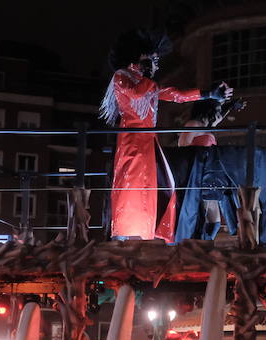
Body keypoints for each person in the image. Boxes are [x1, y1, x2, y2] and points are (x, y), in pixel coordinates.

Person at [99, 29, 232, 241]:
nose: (156, 64)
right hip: (132, 143)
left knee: (158, 187)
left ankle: (146, 233)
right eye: (152, 58)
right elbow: (137, 93)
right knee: (134, 187)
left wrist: (207, 93)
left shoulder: (144, 81)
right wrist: (147, 76)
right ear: (138, 56)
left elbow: (174, 95)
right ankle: (130, 235)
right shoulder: (122, 76)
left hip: (148, 143)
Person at [178, 95, 248, 239]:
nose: (218, 113)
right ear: (208, 110)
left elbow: (218, 118)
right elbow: (182, 148)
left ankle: (205, 247)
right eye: (216, 109)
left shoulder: (205, 126)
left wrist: (229, 107)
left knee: (214, 222)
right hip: (198, 176)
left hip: (212, 178)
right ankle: (199, 248)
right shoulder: (193, 125)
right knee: (203, 219)